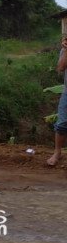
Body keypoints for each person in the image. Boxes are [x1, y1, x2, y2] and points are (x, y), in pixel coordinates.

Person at [46, 36, 67, 166]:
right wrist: (65, 50)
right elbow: (60, 68)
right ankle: (57, 152)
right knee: (62, 124)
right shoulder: (64, 50)